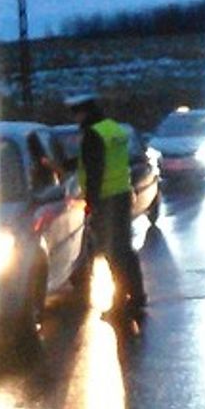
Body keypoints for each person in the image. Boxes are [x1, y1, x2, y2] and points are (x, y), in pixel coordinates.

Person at [68, 93, 147, 321]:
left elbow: (95, 169)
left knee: (114, 255)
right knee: (125, 252)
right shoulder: (112, 129)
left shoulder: (93, 135)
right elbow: (101, 161)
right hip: (121, 194)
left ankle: (120, 304)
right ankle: (138, 296)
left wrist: (91, 204)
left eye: (76, 115)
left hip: (105, 199)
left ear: (83, 113)